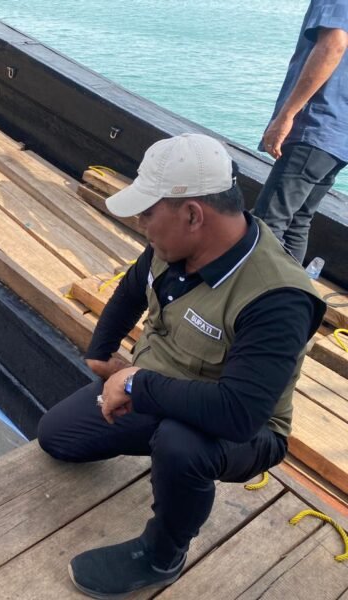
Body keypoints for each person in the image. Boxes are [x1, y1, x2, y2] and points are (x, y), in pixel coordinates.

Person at [37, 134, 325, 597]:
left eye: (149, 212)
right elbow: (132, 290)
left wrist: (135, 385)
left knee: (181, 445)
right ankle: (167, 456)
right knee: (58, 436)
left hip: (244, 428)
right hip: (161, 388)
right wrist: (102, 347)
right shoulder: (170, 247)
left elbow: (240, 414)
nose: (141, 223)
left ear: (192, 214)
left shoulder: (278, 298)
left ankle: (163, 553)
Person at [253, 0, 348, 263]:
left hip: (316, 125)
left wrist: (287, 114)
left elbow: (333, 44)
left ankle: (256, 300)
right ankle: (288, 298)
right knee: (297, 223)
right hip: (338, 135)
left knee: (266, 224)